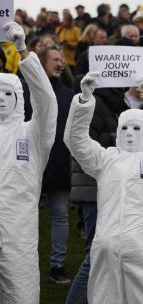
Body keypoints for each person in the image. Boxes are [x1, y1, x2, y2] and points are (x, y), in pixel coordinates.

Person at [63, 74, 143, 303]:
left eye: (137, 129)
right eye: (125, 128)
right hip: (105, 252)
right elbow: (75, 142)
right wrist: (84, 102)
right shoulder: (107, 159)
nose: (129, 133)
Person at [0, 22, 58, 303]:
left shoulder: (32, 134)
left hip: (17, 231)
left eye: (8, 93)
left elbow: (46, 101)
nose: (1, 98)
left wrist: (23, 51)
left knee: (20, 294)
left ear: (19, 98)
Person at [33, 46, 75, 285]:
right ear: (42, 63)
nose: (60, 63)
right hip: (30, 168)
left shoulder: (69, 95)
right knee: (25, 217)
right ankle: (21, 262)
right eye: (55, 60)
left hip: (59, 166)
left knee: (60, 216)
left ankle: (56, 265)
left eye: (62, 60)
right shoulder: (27, 90)